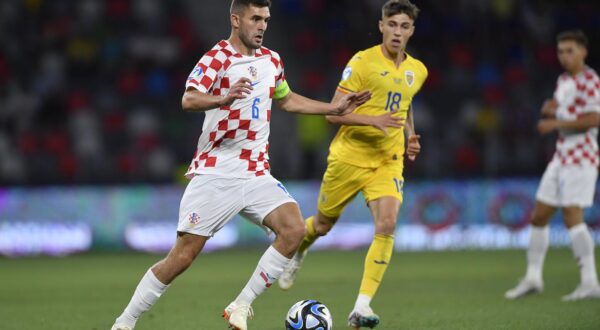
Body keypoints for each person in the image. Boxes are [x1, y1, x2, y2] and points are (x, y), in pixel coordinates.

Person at [110, 1, 371, 329]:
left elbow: (287, 99)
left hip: (256, 172)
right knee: (182, 258)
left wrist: (334, 107)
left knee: (292, 229)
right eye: (255, 18)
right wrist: (222, 98)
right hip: (216, 173)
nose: (262, 25)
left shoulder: (272, 60)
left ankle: (241, 304)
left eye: (266, 19)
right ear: (236, 19)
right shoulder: (217, 57)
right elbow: (189, 98)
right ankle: (124, 323)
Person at [277, 0, 427, 328]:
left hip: (387, 161)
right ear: (381, 26)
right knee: (322, 225)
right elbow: (332, 113)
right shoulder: (362, 63)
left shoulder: (419, 70)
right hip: (348, 158)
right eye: (392, 25)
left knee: (387, 224)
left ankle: (361, 307)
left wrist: (410, 136)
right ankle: (299, 248)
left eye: (404, 26)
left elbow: (405, 104)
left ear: (411, 30)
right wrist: (373, 122)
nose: (397, 32)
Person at [505, 29, 600, 301]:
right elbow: (564, 106)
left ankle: (590, 282)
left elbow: (593, 119)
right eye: (561, 51)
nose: (565, 56)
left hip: (582, 156)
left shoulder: (590, 80)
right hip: (561, 156)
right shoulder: (563, 80)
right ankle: (533, 278)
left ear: (583, 51)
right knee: (539, 215)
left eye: (570, 50)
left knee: (572, 217)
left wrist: (555, 122)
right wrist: (553, 107)